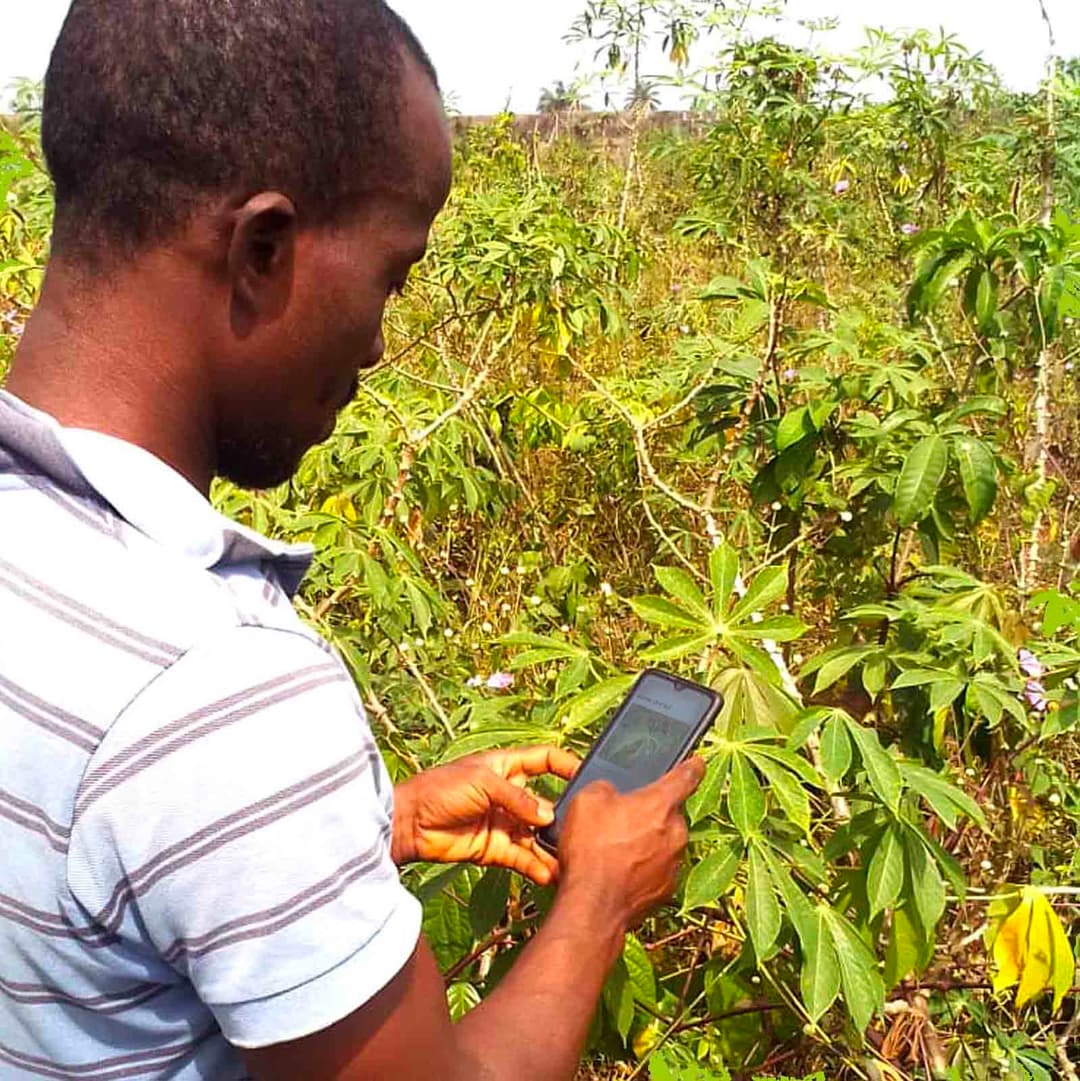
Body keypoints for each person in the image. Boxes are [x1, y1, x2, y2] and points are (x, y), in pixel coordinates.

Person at [0, 1, 704, 1077]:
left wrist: (370, 826)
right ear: (263, 248)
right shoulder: (219, 686)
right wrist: (600, 899)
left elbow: (82, 894)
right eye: (391, 274)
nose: (378, 344)